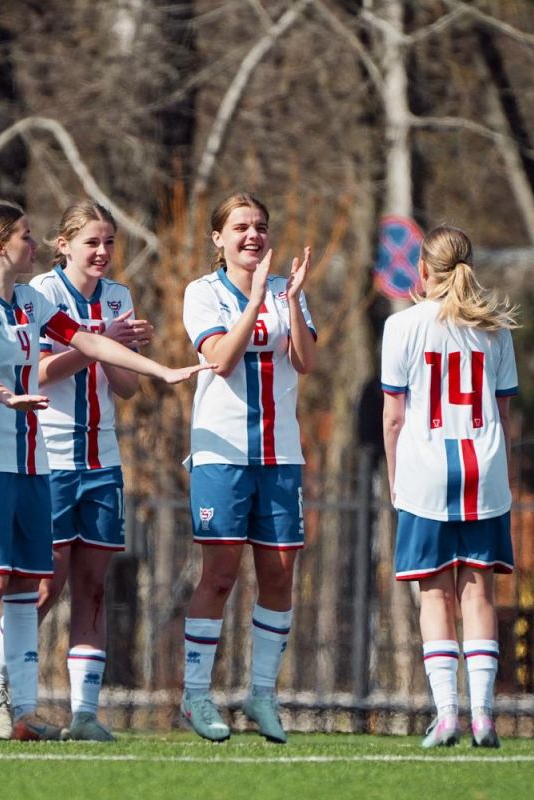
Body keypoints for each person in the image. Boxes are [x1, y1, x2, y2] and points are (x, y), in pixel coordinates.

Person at [0, 202, 209, 741]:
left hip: (33, 462)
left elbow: (89, 341)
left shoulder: (29, 301)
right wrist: (2, 394)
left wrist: (162, 370)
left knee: (25, 586)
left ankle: (26, 712)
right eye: (26, 236)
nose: (35, 245)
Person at [0, 200, 154, 741]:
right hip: (50, 455)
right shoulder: (42, 294)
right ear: (64, 245)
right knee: (45, 582)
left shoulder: (118, 296)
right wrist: (98, 343)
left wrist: (117, 351)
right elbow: (36, 372)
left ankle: (85, 713)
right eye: (91, 242)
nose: (102, 252)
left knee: (93, 585)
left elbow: (127, 388)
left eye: (109, 242)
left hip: (103, 457)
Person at [178, 192, 316, 744]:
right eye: (240, 227)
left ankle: (262, 694)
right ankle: (195, 694)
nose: (253, 235)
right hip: (223, 453)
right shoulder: (203, 292)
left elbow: (305, 361)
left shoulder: (286, 290)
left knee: (279, 573)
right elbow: (220, 359)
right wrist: (256, 300)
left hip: (280, 455)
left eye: (260, 225)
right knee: (220, 574)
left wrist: (292, 301)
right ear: (219, 238)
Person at [381, 225, 517, 750]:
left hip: (426, 470)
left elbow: (394, 417)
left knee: (434, 592)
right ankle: (483, 715)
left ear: (422, 270)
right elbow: (504, 414)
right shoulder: (495, 328)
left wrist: (396, 479)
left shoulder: (402, 325)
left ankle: (446, 716)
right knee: (479, 592)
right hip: (483, 466)